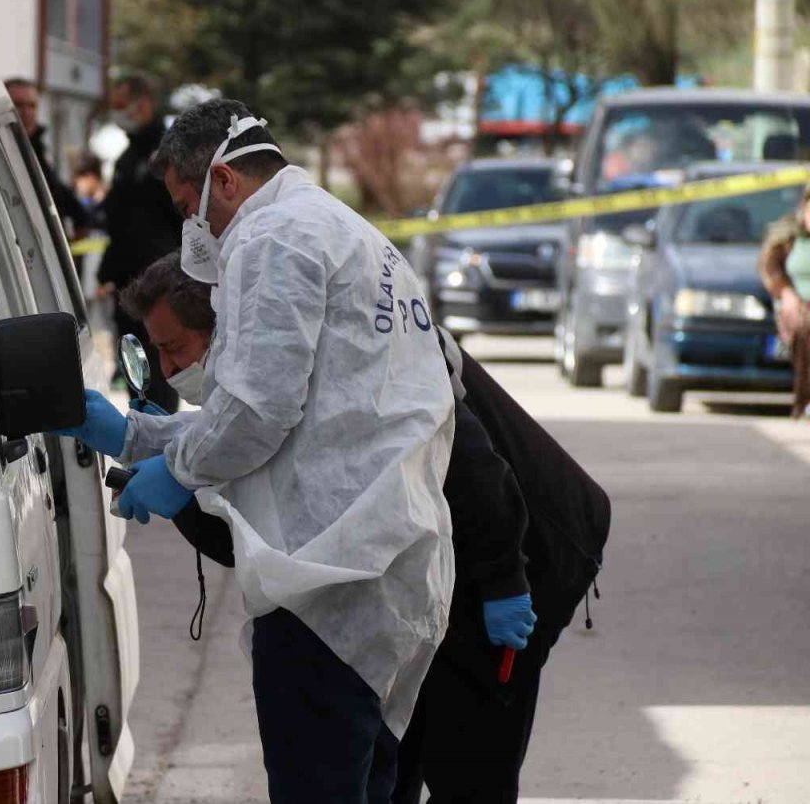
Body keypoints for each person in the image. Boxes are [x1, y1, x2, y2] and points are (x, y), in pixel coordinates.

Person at [59, 99, 461, 802]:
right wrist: (135, 435)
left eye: (190, 207)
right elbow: (303, 415)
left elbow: (257, 411)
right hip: (387, 571)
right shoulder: (342, 229)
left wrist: (177, 469)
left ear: (224, 181)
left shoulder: (271, 235)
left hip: (326, 584)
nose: (195, 229)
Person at [119, 252, 541, 802]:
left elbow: (480, 477)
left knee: (468, 774)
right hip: (395, 605)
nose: (168, 371)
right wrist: (179, 487)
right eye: (157, 355)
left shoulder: (345, 383)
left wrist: (506, 582)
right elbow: (247, 536)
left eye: (174, 349)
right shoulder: (250, 409)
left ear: (227, 332)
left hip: (498, 574)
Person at [97, 74, 182, 412]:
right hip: (129, 285)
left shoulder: (167, 156)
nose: (117, 115)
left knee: (160, 373)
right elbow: (118, 223)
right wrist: (107, 272)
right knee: (136, 373)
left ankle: (161, 447)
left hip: (160, 282)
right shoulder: (129, 157)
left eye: (121, 107)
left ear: (142, 104)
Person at [4, 78, 91, 237]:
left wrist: (81, 217)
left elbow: (53, 190)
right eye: (18, 104)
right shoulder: (1, 149)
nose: (26, 112)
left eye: (32, 105)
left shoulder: (37, 148)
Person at [760, 182, 810, 419]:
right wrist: (787, 294)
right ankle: (805, 399)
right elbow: (768, 268)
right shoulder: (788, 238)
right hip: (795, 307)